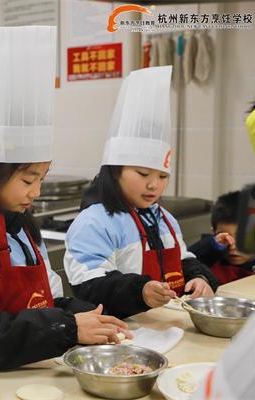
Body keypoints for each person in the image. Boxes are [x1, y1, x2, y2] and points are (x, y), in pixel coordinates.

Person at [0, 26, 131, 380]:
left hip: (23, 372)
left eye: (41, 179)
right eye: (28, 180)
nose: (36, 192)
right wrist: (68, 329)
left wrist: (92, 317)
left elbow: (50, 300)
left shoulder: (23, 229)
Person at [64, 66, 218, 320]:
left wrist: (200, 278)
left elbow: (184, 259)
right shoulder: (94, 222)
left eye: (163, 177)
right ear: (115, 171)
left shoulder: (164, 218)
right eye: (143, 174)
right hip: (123, 331)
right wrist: (140, 292)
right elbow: (89, 286)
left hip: (169, 325)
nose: (153, 185)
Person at [188, 191, 255, 285]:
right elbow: (186, 259)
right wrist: (211, 245)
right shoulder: (208, 255)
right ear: (213, 233)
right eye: (225, 238)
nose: (233, 246)